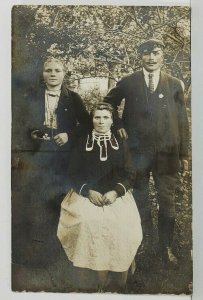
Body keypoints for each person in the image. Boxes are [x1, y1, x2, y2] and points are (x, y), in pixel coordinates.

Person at [104, 38, 189, 265]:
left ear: (163, 56)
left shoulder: (174, 84)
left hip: (168, 152)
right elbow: (108, 103)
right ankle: (142, 243)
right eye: (146, 53)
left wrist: (184, 154)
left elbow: (182, 120)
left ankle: (164, 248)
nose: (151, 58)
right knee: (140, 198)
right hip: (137, 152)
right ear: (139, 57)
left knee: (167, 200)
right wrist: (119, 125)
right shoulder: (128, 82)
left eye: (156, 53)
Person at [12, 57, 90, 291]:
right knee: (36, 201)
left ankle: (61, 251)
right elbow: (20, 123)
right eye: (48, 70)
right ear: (43, 74)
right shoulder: (32, 95)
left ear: (64, 74)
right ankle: (37, 253)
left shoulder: (73, 98)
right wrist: (33, 132)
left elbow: (86, 125)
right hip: (37, 157)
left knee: (59, 201)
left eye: (57, 70)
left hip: (63, 159)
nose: (53, 74)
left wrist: (68, 134)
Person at [57, 102, 143, 292]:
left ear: (112, 121)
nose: (101, 121)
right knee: (88, 222)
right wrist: (88, 191)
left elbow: (130, 173)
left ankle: (116, 278)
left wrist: (116, 192)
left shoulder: (120, 142)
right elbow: (72, 173)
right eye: (97, 117)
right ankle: (90, 279)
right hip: (86, 195)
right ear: (92, 119)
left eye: (105, 117)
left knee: (120, 225)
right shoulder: (83, 142)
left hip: (115, 196)